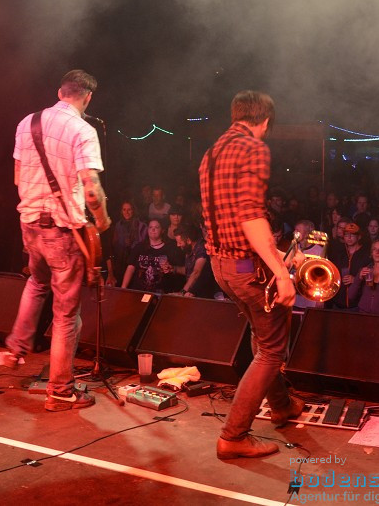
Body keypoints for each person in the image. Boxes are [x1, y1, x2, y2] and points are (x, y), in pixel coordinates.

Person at [199, 90, 303, 460]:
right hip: (246, 268)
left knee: (264, 337)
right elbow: (249, 216)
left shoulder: (210, 154)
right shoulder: (253, 149)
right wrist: (281, 272)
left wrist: (274, 252)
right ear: (265, 122)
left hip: (220, 265)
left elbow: (227, 221)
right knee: (272, 349)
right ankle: (234, 435)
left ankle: (282, 405)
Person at [4, 70, 111, 412]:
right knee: (66, 313)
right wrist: (104, 220)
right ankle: (61, 390)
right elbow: (91, 189)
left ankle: (16, 346)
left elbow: (18, 177)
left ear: (60, 92)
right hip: (61, 231)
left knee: (36, 282)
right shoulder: (83, 130)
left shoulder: (27, 123)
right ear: (88, 97)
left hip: (29, 223)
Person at [121, 218, 183, 293]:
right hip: (139, 291)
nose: (153, 230)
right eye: (150, 227)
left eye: (156, 227)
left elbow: (178, 271)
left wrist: (171, 268)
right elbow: (130, 268)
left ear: (162, 230)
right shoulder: (139, 247)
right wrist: (123, 288)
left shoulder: (170, 249)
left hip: (161, 292)